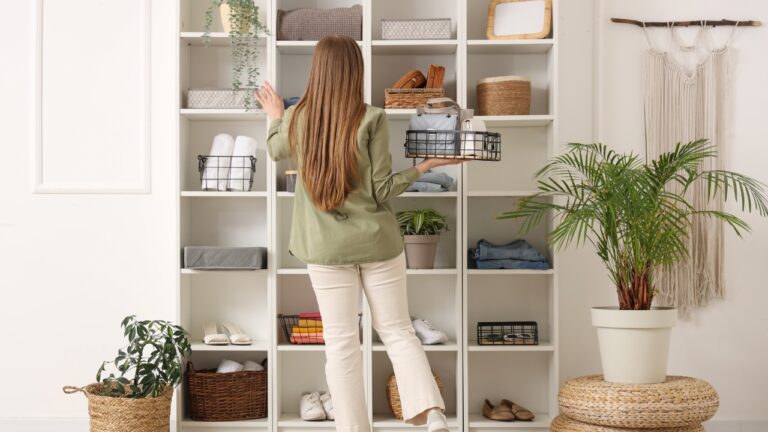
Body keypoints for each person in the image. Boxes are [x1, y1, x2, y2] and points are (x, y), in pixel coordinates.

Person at [256, 35, 462, 432]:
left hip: (324, 249)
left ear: (316, 71)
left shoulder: (297, 119)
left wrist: (276, 113)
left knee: (341, 343)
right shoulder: (372, 117)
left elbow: (275, 149)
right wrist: (425, 166)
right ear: (356, 71)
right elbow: (383, 189)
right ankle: (432, 415)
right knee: (398, 332)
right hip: (378, 244)